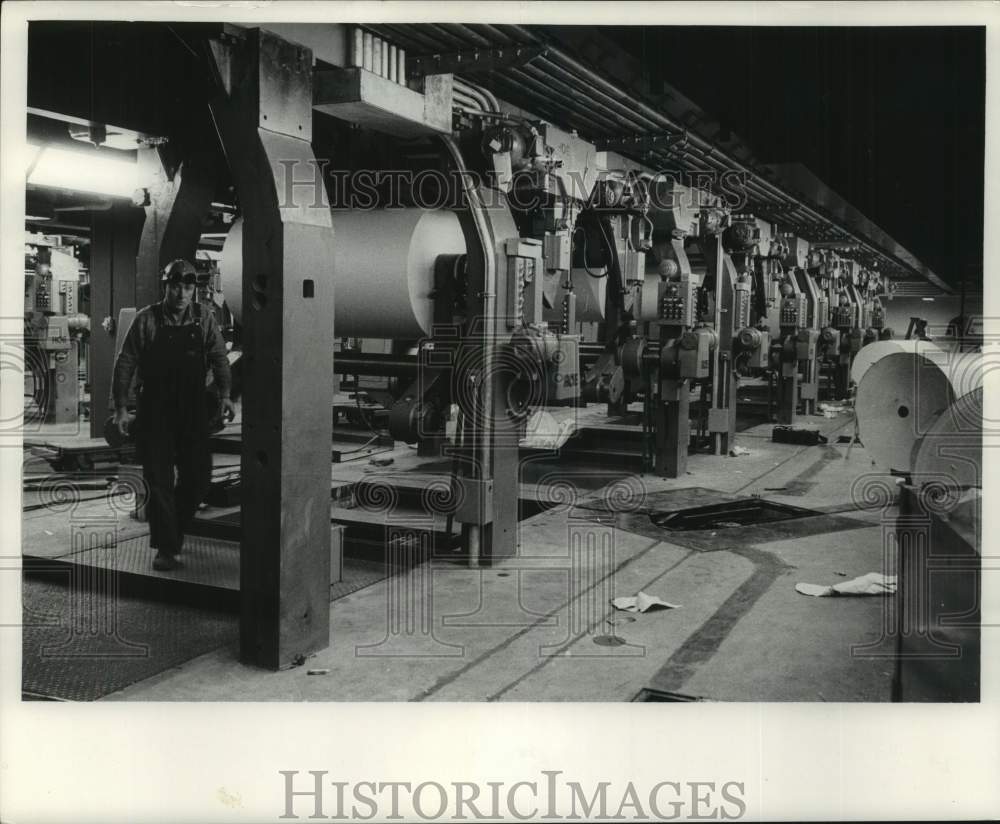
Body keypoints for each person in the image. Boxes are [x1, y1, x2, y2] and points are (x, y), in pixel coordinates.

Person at [112, 259, 235, 570]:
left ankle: (172, 532)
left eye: (188, 287)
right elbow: (125, 363)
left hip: (192, 411)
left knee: (199, 478)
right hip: (156, 411)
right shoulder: (146, 320)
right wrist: (121, 407)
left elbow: (220, 357)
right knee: (159, 479)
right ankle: (167, 548)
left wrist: (224, 396)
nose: (182, 293)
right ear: (165, 286)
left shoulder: (203, 318)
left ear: (194, 289)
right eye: (176, 286)